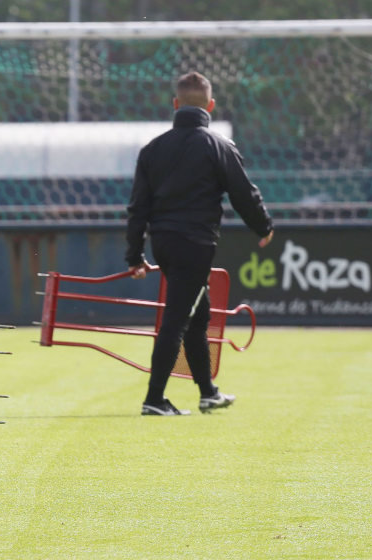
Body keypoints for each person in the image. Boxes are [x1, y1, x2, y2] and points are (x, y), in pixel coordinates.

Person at [125, 71, 274, 416]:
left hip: (164, 242)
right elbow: (244, 193)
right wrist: (263, 227)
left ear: (175, 104)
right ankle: (154, 399)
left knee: (197, 314)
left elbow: (138, 207)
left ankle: (208, 392)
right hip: (196, 244)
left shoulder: (152, 149)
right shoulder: (219, 146)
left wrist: (135, 255)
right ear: (210, 105)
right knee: (177, 319)